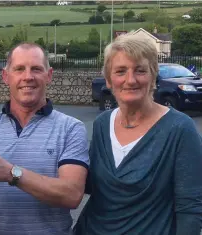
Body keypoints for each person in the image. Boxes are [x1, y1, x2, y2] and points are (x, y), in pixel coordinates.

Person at [74, 33, 202, 234]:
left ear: (153, 76)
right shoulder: (102, 124)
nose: (130, 80)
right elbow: (92, 186)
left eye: (140, 70)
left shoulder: (179, 129)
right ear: (108, 79)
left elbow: (190, 209)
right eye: (120, 71)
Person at [0, 42, 90, 235]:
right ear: (6, 76)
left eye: (36, 69)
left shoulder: (70, 128)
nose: (28, 77)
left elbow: (71, 195)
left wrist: (12, 173)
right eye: (19, 69)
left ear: (49, 76)